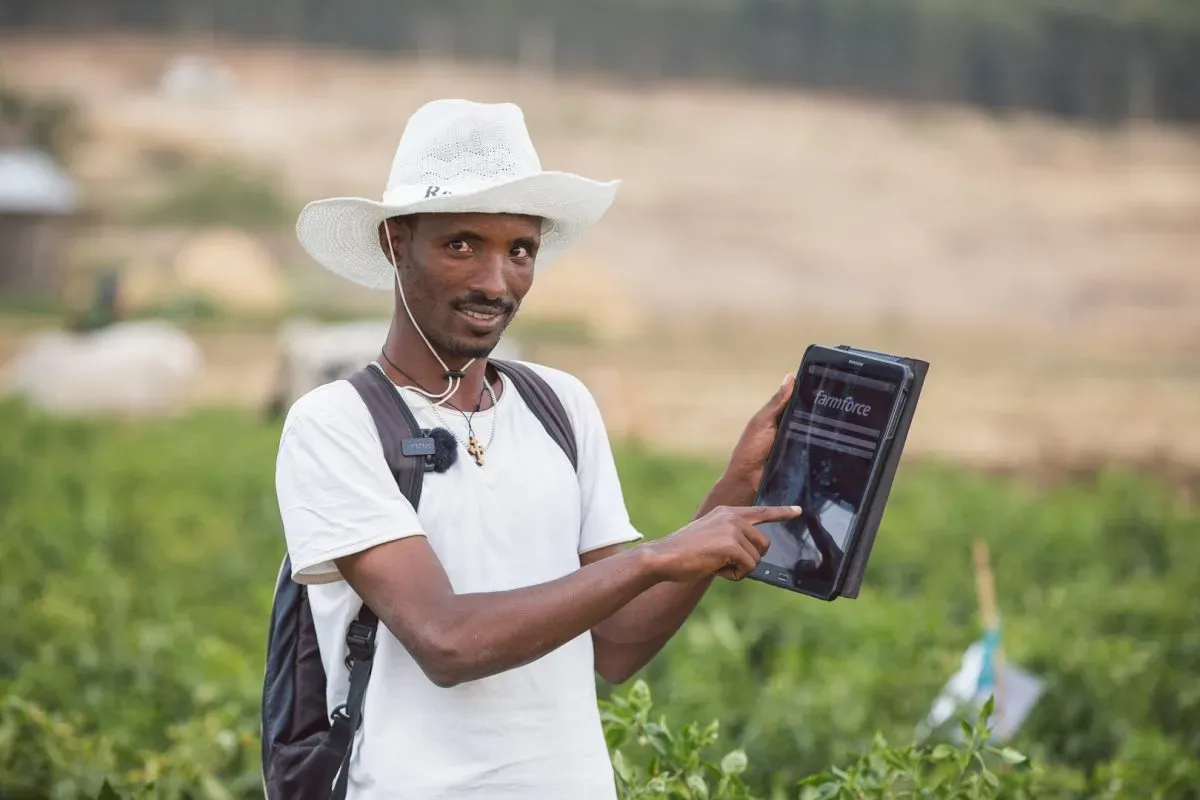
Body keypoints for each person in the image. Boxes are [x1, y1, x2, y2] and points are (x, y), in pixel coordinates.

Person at [274, 98, 801, 800]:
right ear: (396, 243)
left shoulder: (560, 407)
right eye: (463, 244)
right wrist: (655, 556)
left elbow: (615, 646)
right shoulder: (336, 424)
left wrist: (735, 486)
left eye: (520, 250)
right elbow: (446, 641)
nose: (496, 282)